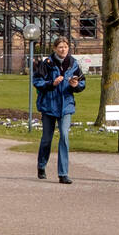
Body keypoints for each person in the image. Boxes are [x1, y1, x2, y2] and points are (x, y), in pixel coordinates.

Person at [32, 36, 86, 184]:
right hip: (49, 106)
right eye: (60, 47)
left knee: (64, 136)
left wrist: (76, 85)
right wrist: (51, 83)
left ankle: (63, 173)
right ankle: (41, 165)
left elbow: (82, 82)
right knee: (47, 139)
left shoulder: (73, 64)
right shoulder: (47, 64)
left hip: (66, 106)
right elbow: (37, 81)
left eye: (65, 47)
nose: (63, 49)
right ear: (55, 49)